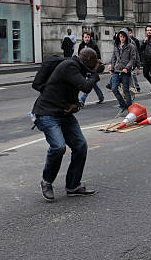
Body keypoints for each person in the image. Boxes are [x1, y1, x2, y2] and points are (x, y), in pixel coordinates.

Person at [33, 47, 104, 201]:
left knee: (80, 145)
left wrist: (76, 105)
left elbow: (75, 97)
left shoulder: (78, 68)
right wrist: (95, 73)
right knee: (58, 147)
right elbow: (85, 86)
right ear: (86, 60)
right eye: (94, 61)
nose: (97, 63)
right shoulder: (69, 66)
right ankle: (46, 182)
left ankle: (73, 185)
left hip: (64, 113)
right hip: (47, 113)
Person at [110, 29, 137, 117]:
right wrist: (112, 67)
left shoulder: (131, 46)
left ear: (126, 37)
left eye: (123, 37)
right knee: (114, 88)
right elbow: (114, 57)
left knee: (125, 90)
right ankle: (123, 106)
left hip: (125, 71)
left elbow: (133, 59)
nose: (122, 39)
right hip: (117, 70)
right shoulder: (116, 46)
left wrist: (127, 68)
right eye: (120, 37)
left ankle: (129, 108)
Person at [78, 31, 104, 106]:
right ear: (83, 38)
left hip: (92, 67)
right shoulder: (81, 45)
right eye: (85, 37)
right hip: (84, 67)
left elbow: (98, 55)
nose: (87, 39)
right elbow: (79, 55)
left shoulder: (93, 45)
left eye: (88, 37)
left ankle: (82, 100)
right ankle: (101, 97)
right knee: (93, 84)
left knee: (89, 83)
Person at [127, 28, 142, 92]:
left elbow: (137, 53)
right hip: (125, 63)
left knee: (133, 74)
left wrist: (138, 66)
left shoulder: (134, 42)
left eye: (130, 33)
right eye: (128, 33)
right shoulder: (120, 42)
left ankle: (136, 86)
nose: (129, 35)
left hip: (133, 62)